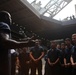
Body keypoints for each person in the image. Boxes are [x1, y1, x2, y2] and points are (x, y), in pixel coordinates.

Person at [0, 11, 35, 75]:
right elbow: (5, 42)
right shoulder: (3, 25)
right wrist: (27, 43)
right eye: (10, 18)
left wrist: (25, 40)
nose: (11, 20)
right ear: (6, 17)